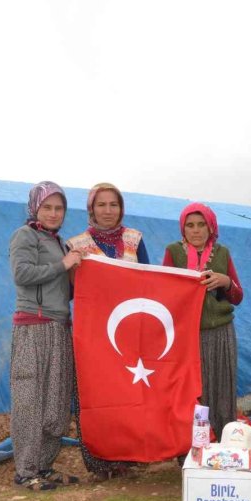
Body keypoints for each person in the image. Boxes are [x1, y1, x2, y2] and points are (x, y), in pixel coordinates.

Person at [66, 182, 149, 481]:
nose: (108, 210)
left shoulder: (134, 239)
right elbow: (72, 291)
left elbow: (150, 280)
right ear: (91, 208)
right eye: (101, 204)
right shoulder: (76, 245)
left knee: (128, 390)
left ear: (121, 208)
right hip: (95, 334)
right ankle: (100, 460)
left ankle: (129, 455)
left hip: (130, 331)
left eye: (113, 204)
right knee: (98, 393)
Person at [8, 181, 83, 491]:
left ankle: (44, 465)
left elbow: (67, 288)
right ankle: (25, 471)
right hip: (33, 326)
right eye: (47, 207)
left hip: (60, 326)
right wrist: (63, 265)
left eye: (59, 208)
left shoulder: (62, 243)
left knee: (56, 402)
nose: (53, 213)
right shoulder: (25, 236)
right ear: (35, 208)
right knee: (30, 399)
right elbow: (21, 274)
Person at [163, 203, 244, 437]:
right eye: (190, 225)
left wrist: (226, 281)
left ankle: (224, 440)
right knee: (190, 390)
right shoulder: (173, 252)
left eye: (202, 225)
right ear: (183, 229)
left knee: (221, 388)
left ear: (211, 228)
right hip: (187, 336)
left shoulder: (222, 253)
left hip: (220, 332)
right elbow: (164, 292)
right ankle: (191, 445)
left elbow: (238, 296)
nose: (196, 230)